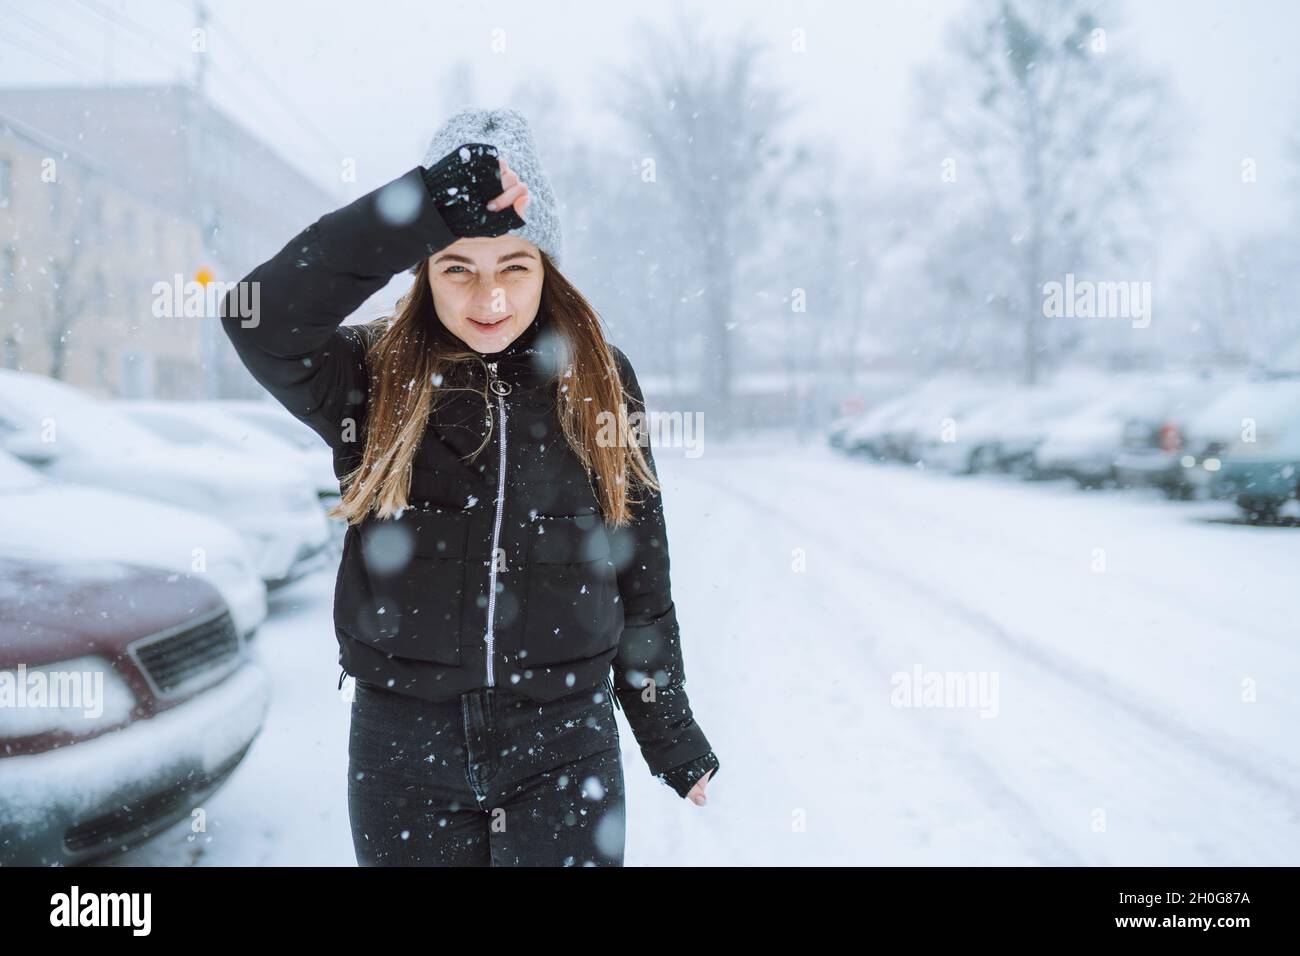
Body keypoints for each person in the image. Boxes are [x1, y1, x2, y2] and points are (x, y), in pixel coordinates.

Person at [220, 106, 719, 866]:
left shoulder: (600, 379)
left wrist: (667, 726)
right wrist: (418, 209)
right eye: (458, 267)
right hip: (404, 751)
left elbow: (639, 564)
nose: (490, 301)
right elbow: (256, 318)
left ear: (546, 267)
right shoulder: (370, 374)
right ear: (424, 267)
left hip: (566, 742)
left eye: (514, 266)